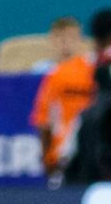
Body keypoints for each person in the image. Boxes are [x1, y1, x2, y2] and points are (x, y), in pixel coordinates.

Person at [29, 16, 94, 177]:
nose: (66, 43)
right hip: (60, 152)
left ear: (80, 40)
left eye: (71, 37)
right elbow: (43, 120)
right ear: (52, 40)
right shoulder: (41, 71)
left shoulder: (92, 70)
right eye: (60, 38)